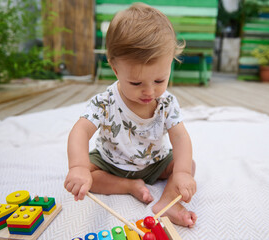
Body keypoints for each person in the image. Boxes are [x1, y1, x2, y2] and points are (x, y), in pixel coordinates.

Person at [64, 3, 197, 227]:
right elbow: (80, 131)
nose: (149, 91)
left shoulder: (166, 103)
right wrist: (77, 167)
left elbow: (180, 138)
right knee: (88, 176)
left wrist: (182, 172)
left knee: (187, 165)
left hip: (155, 162)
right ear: (116, 70)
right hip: (110, 163)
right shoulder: (104, 102)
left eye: (159, 80)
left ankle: (166, 203)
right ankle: (128, 186)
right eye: (136, 83)